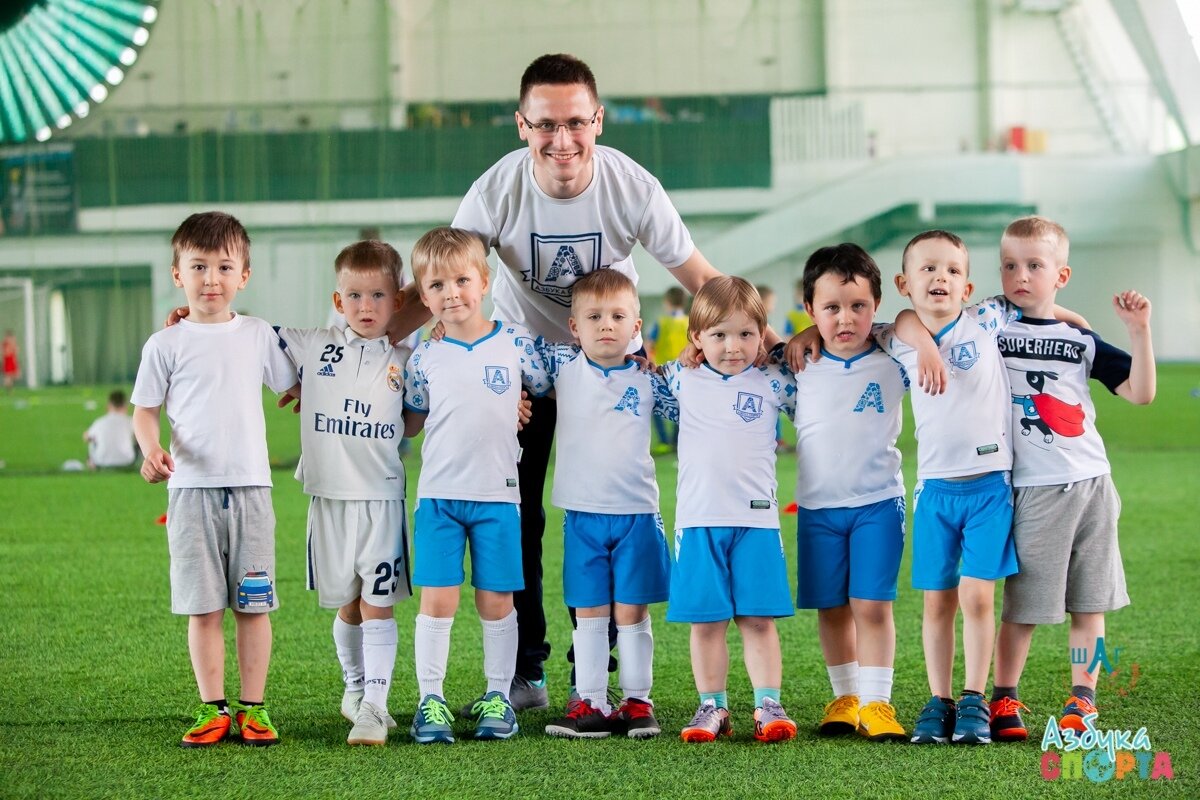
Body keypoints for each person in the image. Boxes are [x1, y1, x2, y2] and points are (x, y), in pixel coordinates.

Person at [387, 53, 781, 708]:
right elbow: (438, 282)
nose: (561, 140)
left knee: (602, 510)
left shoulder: (632, 188)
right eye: (545, 125)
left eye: (575, 122)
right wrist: (347, 352)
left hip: (603, 372)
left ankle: (593, 675)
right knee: (518, 518)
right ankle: (525, 670)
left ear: (597, 120)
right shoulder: (493, 193)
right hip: (518, 372)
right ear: (521, 125)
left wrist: (771, 340)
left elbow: (701, 278)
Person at [131, 211, 297, 748]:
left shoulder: (256, 335)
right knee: (202, 607)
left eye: (224, 266)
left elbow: (293, 383)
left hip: (251, 492)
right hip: (189, 493)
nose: (210, 279)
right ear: (177, 273)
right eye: (198, 266)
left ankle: (254, 709)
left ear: (244, 275)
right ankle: (213, 709)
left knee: (254, 605)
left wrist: (303, 392)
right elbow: (145, 410)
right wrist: (150, 448)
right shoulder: (165, 344)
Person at [988, 217, 1155, 741]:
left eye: (1035, 265)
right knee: (1026, 605)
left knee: (1091, 602)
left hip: (1093, 484)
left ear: (1061, 273)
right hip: (1034, 490)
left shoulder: (1079, 338)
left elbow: (1140, 392)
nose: (1021, 275)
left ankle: (1083, 698)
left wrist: (1139, 331)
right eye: (1010, 265)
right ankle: (1003, 697)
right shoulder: (993, 329)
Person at [401, 227, 551, 744]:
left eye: (462, 280)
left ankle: (497, 697)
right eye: (437, 285)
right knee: (436, 601)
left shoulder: (517, 344)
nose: (452, 293)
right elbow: (413, 419)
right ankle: (431, 700)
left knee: (497, 602)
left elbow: (548, 388)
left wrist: (519, 406)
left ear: (484, 281)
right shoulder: (423, 356)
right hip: (439, 498)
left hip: (498, 497)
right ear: (423, 296)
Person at [874, 230, 1019, 745]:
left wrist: (1080, 323)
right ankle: (940, 701)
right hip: (935, 491)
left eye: (953, 271)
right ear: (904, 283)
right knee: (937, 602)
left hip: (989, 488)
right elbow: (880, 326)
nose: (941, 278)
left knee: (978, 597)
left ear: (967, 285)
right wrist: (923, 343)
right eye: (928, 269)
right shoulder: (895, 339)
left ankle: (975, 698)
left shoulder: (986, 320)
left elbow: (1041, 304)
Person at [273, 240, 413, 746]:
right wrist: (191, 319)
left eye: (378, 296)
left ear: (398, 300)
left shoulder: (409, 357)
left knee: (379, 602)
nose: (366, 307)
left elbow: (430, 408)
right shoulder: (311, 345)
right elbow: (244, 338)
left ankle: (375, 705)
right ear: (338, 302)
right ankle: (354, 689)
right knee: (349, 604)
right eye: (354, 296)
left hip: (381, 498)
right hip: (327, 497)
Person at [661, 276, 797, 744]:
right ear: (696, 338)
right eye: (718, 335)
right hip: (699, 521)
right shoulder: (680, 376)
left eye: (745, 334)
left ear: (762, 334)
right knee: (707, 621)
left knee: (758, 619)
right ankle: (712, 707)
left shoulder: (776, 380)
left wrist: (784, 348)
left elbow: (816, 396)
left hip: (756, 520)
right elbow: (631, 377)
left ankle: (767, 704)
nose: (732, 346)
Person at [538, 269, 673, 740]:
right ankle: (591, 703)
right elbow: (501, 344)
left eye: (618, 316)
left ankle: (638, 701)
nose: (606, 325)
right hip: (582, 515)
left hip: (636, 513)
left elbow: (702, 391)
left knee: (631, 613)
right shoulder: (558, 367)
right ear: (574, 327)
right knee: (590, 610)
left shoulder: (654, 379)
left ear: (637, 325)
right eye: (593, 316)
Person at [784, 244, 909, 742]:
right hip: (817, 507)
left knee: (872, 604)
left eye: (858, 306)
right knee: (833, 607)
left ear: (875, 306)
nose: (845, 318)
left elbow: (916, 323)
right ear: (810, 309)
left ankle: (878, 703)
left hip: (878, 502)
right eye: (831, 308)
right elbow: (736, 349)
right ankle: (847, 696)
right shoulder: (794, 361)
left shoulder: (893, 353)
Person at [645, 286, 688, 452]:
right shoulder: (690, 322)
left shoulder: (661, 322)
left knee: (656, 405)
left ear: (667, 302)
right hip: (685, 370)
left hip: (662, 370)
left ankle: (664, 441)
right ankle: (677, 441)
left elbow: (649, 344)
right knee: (683, 407)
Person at [84, 390, 138, 469]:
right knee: (140, 440)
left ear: (109, 405)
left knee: (92, 439)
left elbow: (86, 437)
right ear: (125, 405)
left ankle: (92, 465)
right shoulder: (130, 421)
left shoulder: (100, 422)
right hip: (127, 461)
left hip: (101, 461)